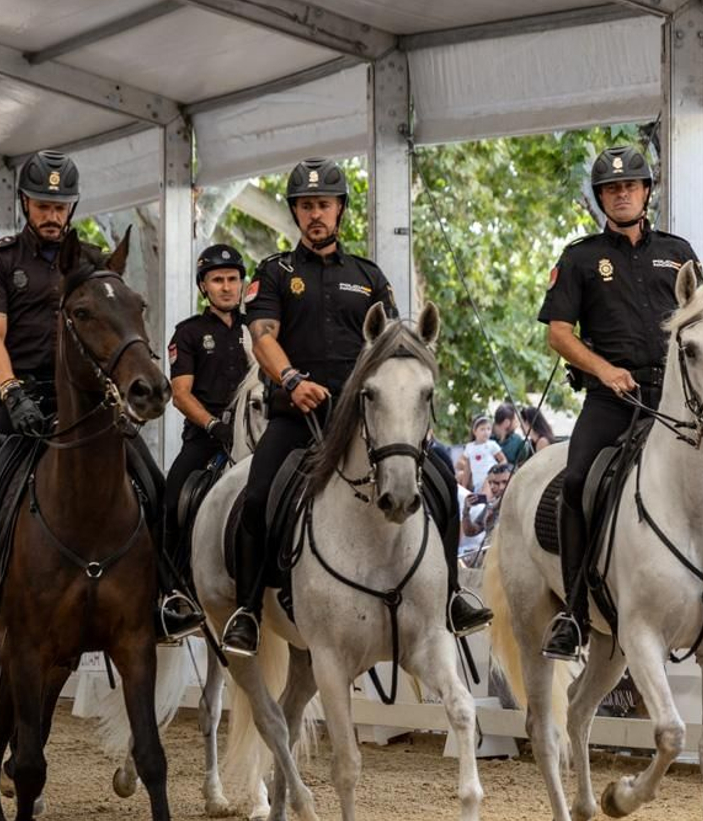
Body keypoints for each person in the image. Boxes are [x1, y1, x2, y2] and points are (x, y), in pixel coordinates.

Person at [218, 157, 492, 656]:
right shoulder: (274, 272)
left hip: (364, 417)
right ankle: (249, 610)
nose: (314, 214)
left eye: (323, 205)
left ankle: (452, 594)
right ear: (296, 213)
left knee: (439, 478)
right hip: (297, 414)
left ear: (340, 210)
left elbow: (389, 346)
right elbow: (262, 336)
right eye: (305, 207)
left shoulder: (368, 276)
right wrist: (291, 378)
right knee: (257, 497)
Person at [0, 150, 202, 656]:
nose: (52, 215)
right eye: (42, 204)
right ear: (24, 204)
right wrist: (10, 392)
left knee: (153, 482)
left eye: (60, 206)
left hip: (83, 399)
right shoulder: (0, 260)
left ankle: (169, 595)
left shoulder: (91, 263)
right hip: (19, 396)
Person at [535, 144, 703, 664]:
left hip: (677, 400)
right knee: (575, 483)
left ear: (646, 193)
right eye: (611, 189)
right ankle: (572, 611)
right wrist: (604, 369)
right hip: (612, 397)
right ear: (600, 199)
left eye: (630, 187)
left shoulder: (678, 252)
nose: (621, 195)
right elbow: (559, 334)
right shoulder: (580, 258)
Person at [162, 243, 250, 567]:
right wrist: (214, 424)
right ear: (204, 286)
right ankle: (170, 587)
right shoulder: (188, 333)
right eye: (217, 280)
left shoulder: (257, 328)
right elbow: (181, 394)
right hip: (206, 437)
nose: (226, 287)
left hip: (254, 433)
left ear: (241, 283)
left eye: (232, 279)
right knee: (171, 503)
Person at [461, 462, 513, 568]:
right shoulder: (491, 505)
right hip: (488, 556)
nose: (500, 487)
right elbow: (470, 531)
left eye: (504, 482)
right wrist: (466, 511)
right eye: (492, 483)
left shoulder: (517, 503)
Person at [456, 414, 506, 491]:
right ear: (475, 431)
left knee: (487, 496)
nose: (486, 432)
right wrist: (464, 486)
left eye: (488, 429)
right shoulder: (470, 447)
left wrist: (495, 472)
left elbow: (503, 460)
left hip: (490, 481)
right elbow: (467, 468)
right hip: (477, 482)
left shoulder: (492, 445)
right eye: (482, 429)